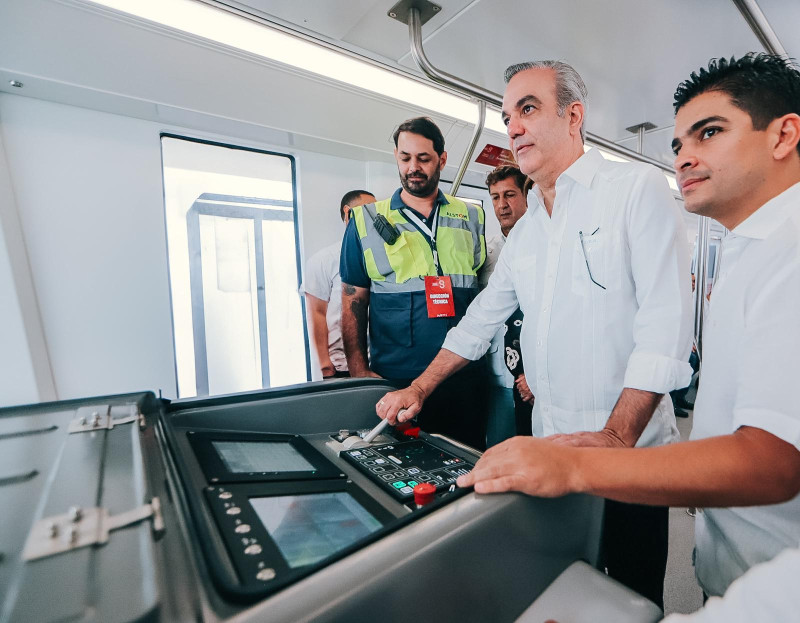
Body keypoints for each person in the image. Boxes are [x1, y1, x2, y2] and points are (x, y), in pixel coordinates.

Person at [458, 53, 800, 601]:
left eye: (709, 133)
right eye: (679, 144)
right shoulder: (748, 251)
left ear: (783, 135)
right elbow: (484, 318)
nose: (685, 157)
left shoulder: (785, 250)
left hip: (766, 576)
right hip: (722, 551)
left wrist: (596, 455)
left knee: (633, 591)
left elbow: (773, 459)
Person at [376, 61, 693, 607]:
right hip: (556, 459)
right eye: (506, 116)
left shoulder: (633, 190)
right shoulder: (526, 233)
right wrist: (419, 388)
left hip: (630, 458)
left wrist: (617, 437)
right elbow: (479, 323)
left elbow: (666, 326)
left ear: (574, 117)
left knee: (631, 602)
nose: (513, 127)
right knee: (566, 595)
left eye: (528, 108)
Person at [340, 116, 487, 450]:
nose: (413, 168)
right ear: (396, 156)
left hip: (462, 374)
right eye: (405, 158)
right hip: (397, 378)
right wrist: (358, 370)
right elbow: (353, 300)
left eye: (423, 158)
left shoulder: (472, 216)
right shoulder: (365, 221)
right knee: (404, 469)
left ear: (442, 159)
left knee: (465, 464)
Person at [479, 165, 533, 445]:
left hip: (536, 373)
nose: (502, 205)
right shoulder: (485, 254)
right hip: (498, 370)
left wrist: (533, 370)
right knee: (499, 447)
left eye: (510, 195)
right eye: (495, 197)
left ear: (527, 195)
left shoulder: (546, 245)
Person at [304, 189, 375, 379]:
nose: (373, 218)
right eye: (367, 211)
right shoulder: (323, 260)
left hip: (377, 362)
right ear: (348, 213)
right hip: (340, 366)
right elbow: (316, 314)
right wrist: (324, 364)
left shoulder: (379, 259)